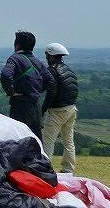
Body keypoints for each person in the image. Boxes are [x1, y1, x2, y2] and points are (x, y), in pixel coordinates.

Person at [0, 31, 54, 141]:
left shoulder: (14, 58)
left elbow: (6, 75)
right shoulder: (37, 61)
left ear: (17, 45)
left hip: (20, 105)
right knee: (37, 141)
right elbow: (50, 81)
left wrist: (11, 92)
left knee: (19, 140)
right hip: (36, 106)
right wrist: (37, 90)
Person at [42, 43, 78, 173]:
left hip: (57, 110)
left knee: (47, 140)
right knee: (68, 141)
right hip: (72, 109)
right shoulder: (69, 69)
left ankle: (45, 170)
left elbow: (51, 92)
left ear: (50, 55)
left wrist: (43, 109)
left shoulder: (52, 70)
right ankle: (68, 170)